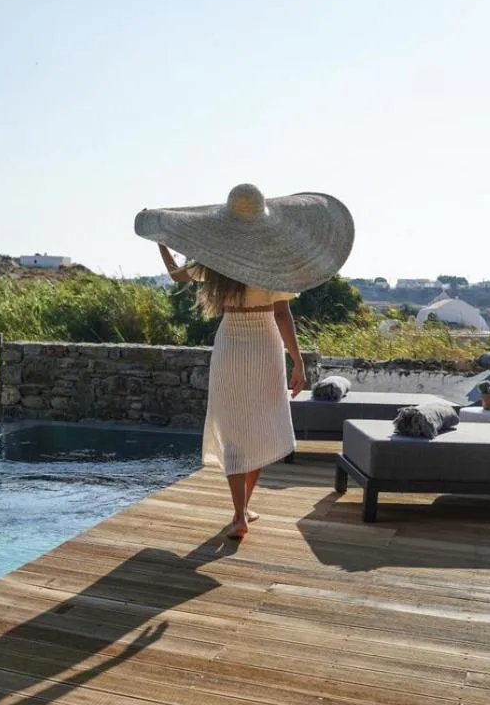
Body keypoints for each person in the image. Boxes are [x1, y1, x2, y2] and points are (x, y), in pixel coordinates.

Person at [135, 183, 355, 540]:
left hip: (231, 343)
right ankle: (241, 511)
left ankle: (241, 511)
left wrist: (163, 240)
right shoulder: (273, 262)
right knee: (261, 427)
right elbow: (283, 315)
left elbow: (177, 275)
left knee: (234, 429)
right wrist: (297, 361)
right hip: (265, 341)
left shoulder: (216, 259)